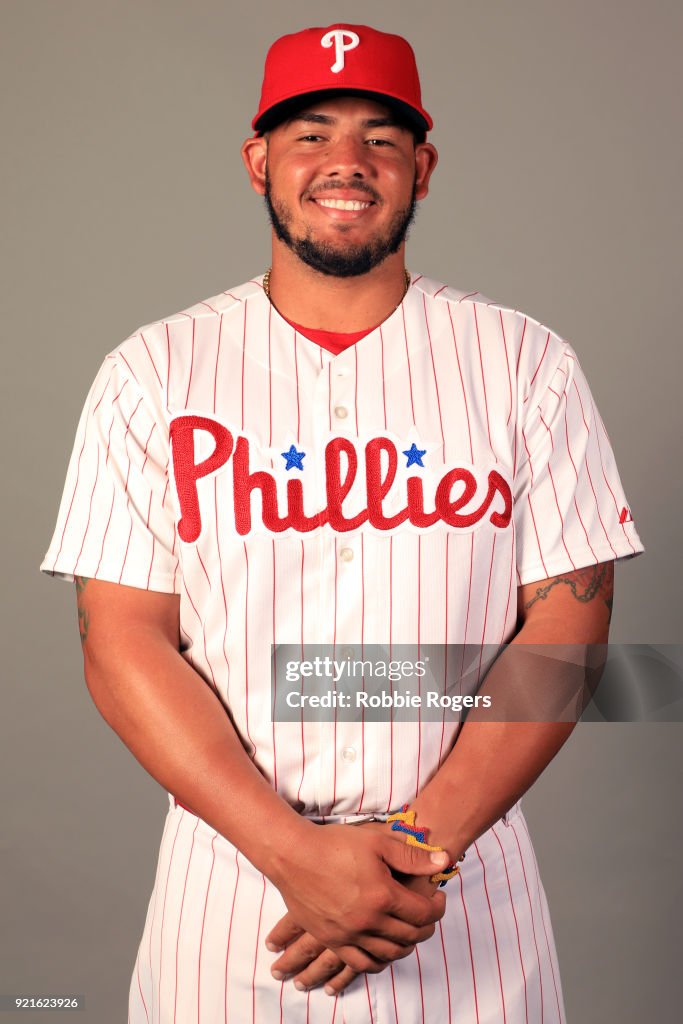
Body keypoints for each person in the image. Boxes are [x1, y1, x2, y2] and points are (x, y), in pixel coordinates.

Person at [41, 23, 644, 1024]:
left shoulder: (524, 365)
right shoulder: (153, 372)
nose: (345, 163)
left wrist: (414, 846)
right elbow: (121, 641)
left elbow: (566, 633)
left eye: (379, 136)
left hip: (460, 897)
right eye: (310, 133)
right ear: (258, 161)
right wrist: (293, 854)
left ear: (422, 166)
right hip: (233, 895)